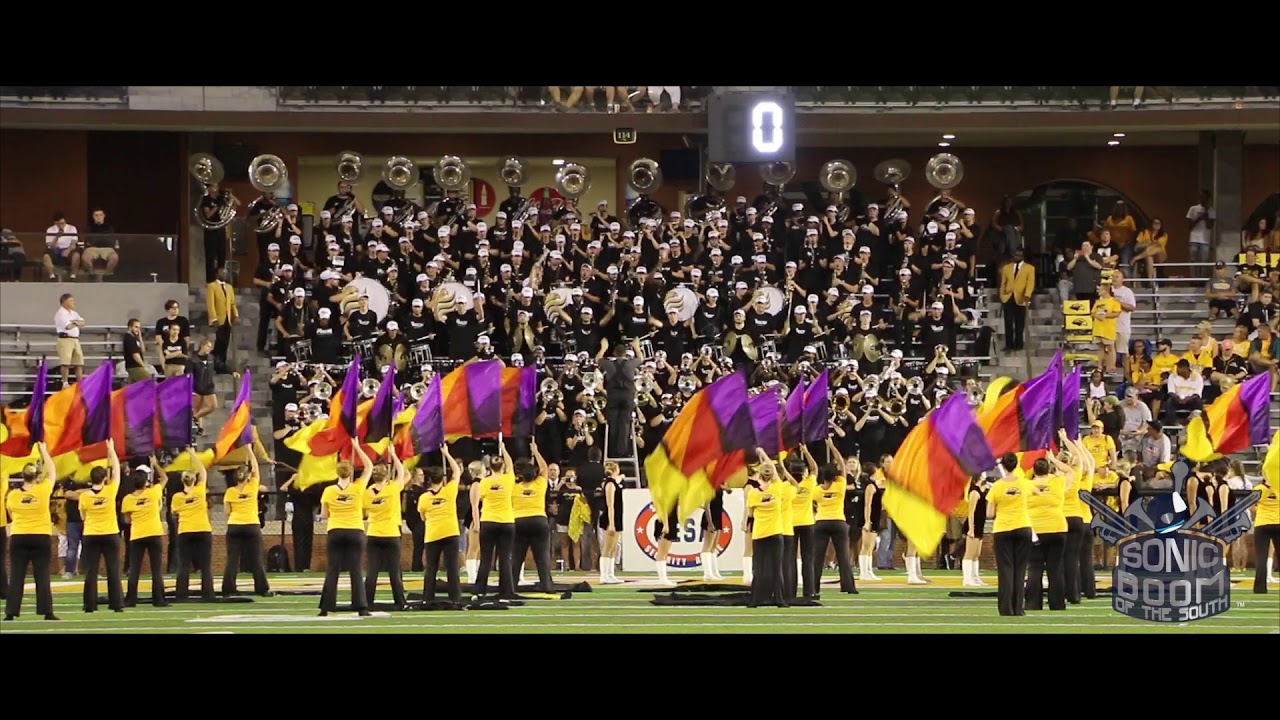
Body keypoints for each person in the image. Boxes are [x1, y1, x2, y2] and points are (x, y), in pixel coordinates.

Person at [3, 443, 59, 621]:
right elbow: (52, 471)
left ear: (22, 477)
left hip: (19, 536)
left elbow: (11, 514)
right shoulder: (43, 489)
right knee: (42, 575)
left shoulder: (12, 495)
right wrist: (44, 451)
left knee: (17, 575)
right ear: (36, 477)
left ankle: (11, 613)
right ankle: (47, 612)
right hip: (41, 536)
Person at [319, 442, 374, 616]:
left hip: (335, 530)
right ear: (351, 473)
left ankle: (326, 607)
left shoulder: (328, 491)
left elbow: (324, 514)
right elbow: (369, 466)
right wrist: (356, 447)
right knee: (356, 569)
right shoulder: (358, 488)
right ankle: (361, 607)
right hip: (355, 530)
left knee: (332, 569)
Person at [71, 440, 124, 613]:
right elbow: (116, 471)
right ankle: (116, 604)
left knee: (91, 572)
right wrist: (111, 451)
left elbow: (82, 516)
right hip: (110, 534)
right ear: (104, 478)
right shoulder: (110, 490)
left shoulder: (84, 497)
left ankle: (90, 605)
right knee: (113, 570)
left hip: (91, 534)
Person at [1024, 452, 1074, 612]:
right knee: (1055, 568)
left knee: (1034, 567)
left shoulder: (1027, 485)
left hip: (1034, 529)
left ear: (1034, 470)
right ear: (1049, 469)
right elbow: (1071, 472)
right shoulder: (1058, 482)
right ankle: (1057, 604)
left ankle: (1032, 604)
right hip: (1057, 528)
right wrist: (1054, 460)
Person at [988, 453, 1034, 617]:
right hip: (1023, 526)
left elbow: (989, 512)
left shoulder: (997, 486)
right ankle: (1018, 608)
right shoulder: (1025, 483)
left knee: (1006, 569)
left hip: (1003, 528)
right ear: (1016, 464)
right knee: (1020, 569)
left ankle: (1006, 608)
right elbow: (1037, 495)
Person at [121, 456, 170, 608]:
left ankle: (130, 600)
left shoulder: (127, 499)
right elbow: (164, 478)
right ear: (146, 482)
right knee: (156, 569)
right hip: (154, 533)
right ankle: (159, 600)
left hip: (137, 535)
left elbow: (127, 520)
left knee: (134, 569)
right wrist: (155, 464)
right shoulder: (153, 492)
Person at [221, 452, 272, 597]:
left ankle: (228, 588)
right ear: (247, 476)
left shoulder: (230, 491)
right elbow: (255, 468)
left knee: (232, 559)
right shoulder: (253, 486)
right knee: (256, 558)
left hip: (234, 525)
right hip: (251, 525)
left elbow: (226, 511)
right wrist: (250, 450)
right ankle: (262, 588)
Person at [810, 439, 857, 595]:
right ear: (835, 475)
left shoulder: (816, 490)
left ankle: (813, 587)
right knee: (843, 556)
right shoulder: (841, 484)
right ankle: (848, 587)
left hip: (821, 521)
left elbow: (813, 502)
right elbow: (842, 465)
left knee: (818, 557)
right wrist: (831, 445)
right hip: (839, 521)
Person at [364, 448, 408, 609]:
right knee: (394, 571)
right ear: (387, 476)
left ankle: (367, 601)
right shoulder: (392, 489)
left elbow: (364, 511)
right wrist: (395, 455)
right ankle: (400, 601)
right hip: (391, 534)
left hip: (374, 533)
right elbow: (402, 472)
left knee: (372, 571)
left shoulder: (367, 493)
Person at [471, 443, 517, 598]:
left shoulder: (484, 482)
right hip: (506, 522)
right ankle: (507, 590)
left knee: (486, 558)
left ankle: (480, 589)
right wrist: (504, 448)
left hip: (489, 521)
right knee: (505, 558)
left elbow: (481, 499)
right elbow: (511, 465)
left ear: (489, 467)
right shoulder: (508, 478)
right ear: (502, 466)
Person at [420, 444, 464, 605]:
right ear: (442, 478)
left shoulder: (424, 498)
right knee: (452, 567)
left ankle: (427, 598)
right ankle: (455, 598)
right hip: (450, 533)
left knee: (431, 568)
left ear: (429, 479)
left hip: (432, 534)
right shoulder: (450, 490)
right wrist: (446, 453)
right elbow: (457, 472)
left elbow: (422, 517)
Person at [170, 450, 215, 602]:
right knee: (206, 565)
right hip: (202, 529)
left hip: (185, 531)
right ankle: (208, 594)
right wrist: (193, 454)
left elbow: (174, 512)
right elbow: (203, 471)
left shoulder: (177, 497)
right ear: (194, 480)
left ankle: (181, 594)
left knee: (184, 565)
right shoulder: (200, 490)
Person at [512, 442, 556, 592]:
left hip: (519, 522)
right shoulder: (540, 484)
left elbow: (507, 472)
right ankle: (547, 586)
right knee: (542, 557)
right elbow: (544, 468)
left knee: (517, 557)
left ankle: (511, 586)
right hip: (538, 520)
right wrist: (536, 451)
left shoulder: (514, 486)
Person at [1059, 433, 1097, 603]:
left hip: (1068, 520)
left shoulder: (1065, 479)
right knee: (1086, 559)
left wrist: (1068, 445)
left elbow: (1082, 461)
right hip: (1086, 520)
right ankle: (1089, 590)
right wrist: (1078, 444)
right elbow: (1089, 461)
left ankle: (1071, 590)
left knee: (1068, 559)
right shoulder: (1086, 478)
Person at [746, 453, 786, 608]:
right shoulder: (777, 488)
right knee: (777, 568)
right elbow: (776, 474)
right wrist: (764, 454)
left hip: (759, 533)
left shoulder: (753, 494)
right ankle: (779, 600)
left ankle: (755, 600)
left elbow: (750, 515)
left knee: (759, 568)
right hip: (776, 532)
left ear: (759, 476)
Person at [961, 474, 991, 587]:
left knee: (976, 553)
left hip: (980, 524)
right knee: (969, 553)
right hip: (973, 525)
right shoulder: (974, 492)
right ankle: (967, 579)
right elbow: (971, 512)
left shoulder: (983, 491)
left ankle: (975, 577)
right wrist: (971, 529)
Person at [598, 461, 625, 585]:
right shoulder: (609, 484)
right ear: (616, 469)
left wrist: (620, 477)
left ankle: (611, 574)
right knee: (607, 548)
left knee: (614, 548)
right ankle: (604, 575)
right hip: (610, 518)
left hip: (618, 517)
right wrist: (612, 523)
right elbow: (610, 505)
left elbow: (619, 479)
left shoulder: (615, 482)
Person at [1253, 475, 1279, 594]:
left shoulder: (1258, 488)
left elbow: (1251, 506)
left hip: (1262, 524)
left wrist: (1261, 510)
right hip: (1278, 523)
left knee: (1261, 557)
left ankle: (1260, 588)